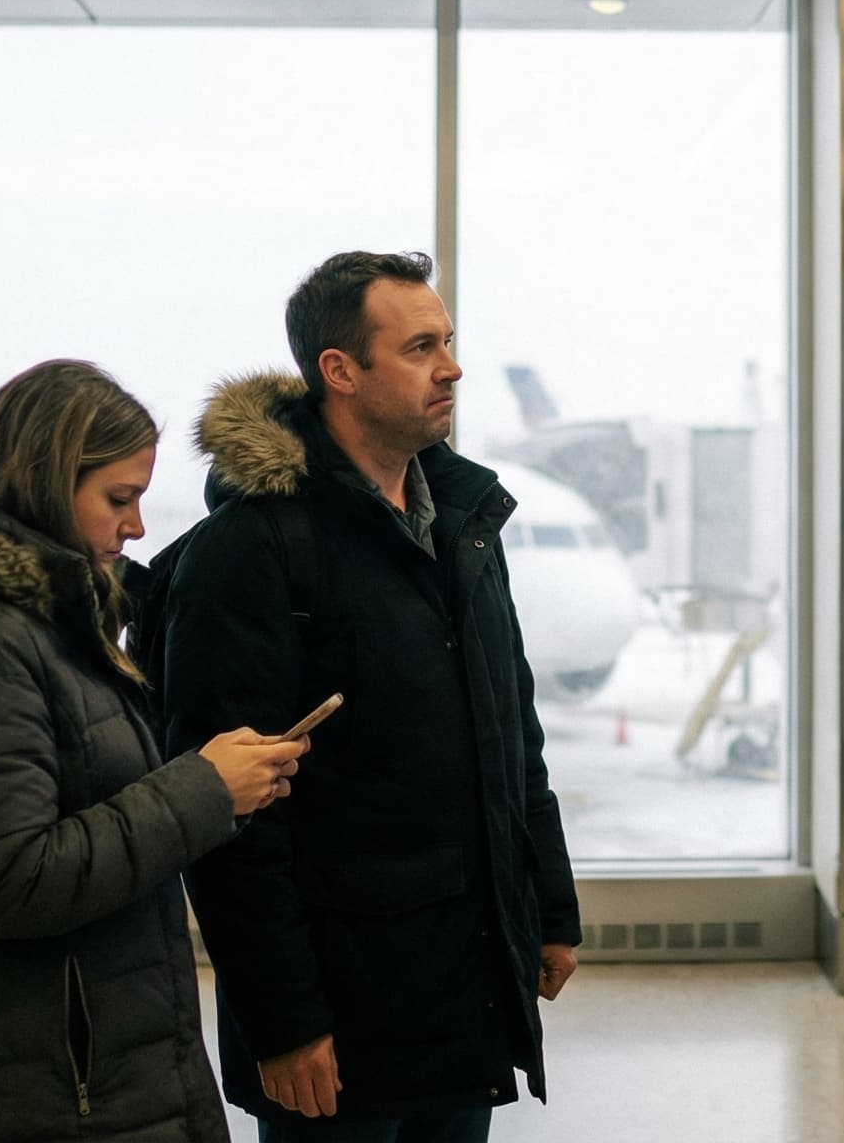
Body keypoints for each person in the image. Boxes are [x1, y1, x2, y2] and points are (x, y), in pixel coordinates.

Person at [0, 358, 308, 1143]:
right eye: (119, 499)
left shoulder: (53, 625)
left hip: (78, 1072)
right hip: (20, 1089)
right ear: (48, 485)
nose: (138, 527)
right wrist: (203, 790)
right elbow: (15, 880)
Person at [155, 251, 580, 1143]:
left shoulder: (465, 525)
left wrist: (544, 905)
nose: (453, 367)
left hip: (465, 986)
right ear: (340, 372)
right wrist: (284, 1020)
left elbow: (511, 727)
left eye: (449, 342)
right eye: (422, 347)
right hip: (339, 1012)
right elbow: (228, 815)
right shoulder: (252, 550)